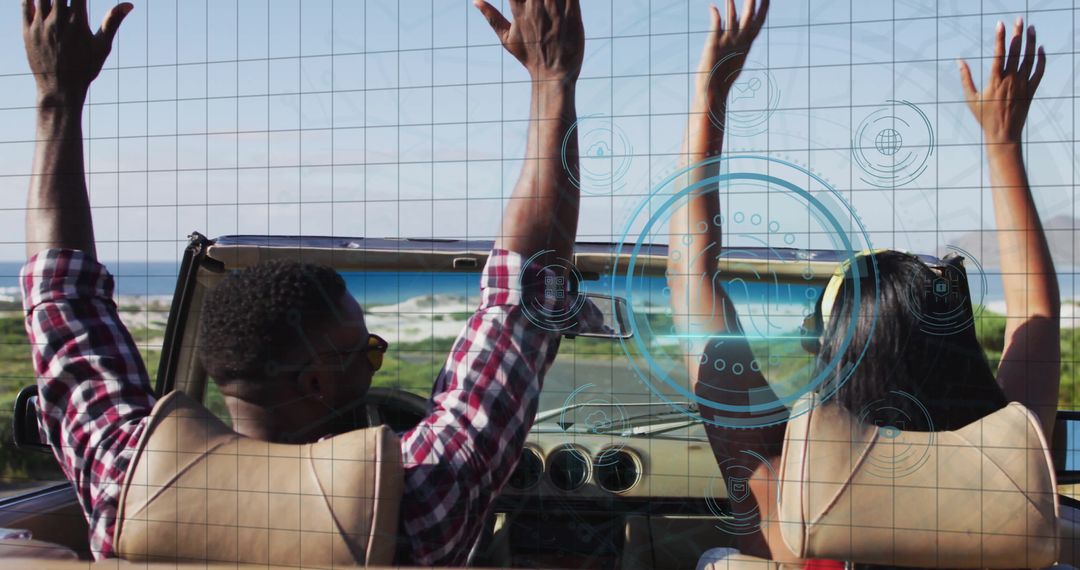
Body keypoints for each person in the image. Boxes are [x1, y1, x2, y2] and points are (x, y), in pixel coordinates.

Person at [19, 0, 585, 565]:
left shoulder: (122, 477)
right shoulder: (417, 499)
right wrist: (553, 76)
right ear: (316, 383)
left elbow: (63, 300)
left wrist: (56, 99)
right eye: (367, 349)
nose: (376, 360)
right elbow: (522, 294)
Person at [667, 1, 1056, 564]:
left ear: (837, 351)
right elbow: (1034, 315)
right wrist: (1003, 142)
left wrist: (712, 94)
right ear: (960, 350)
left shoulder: (784, 488)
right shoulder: (1012, 465)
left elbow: (688, 274)